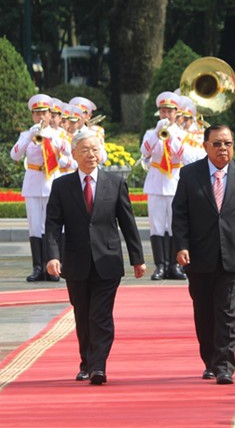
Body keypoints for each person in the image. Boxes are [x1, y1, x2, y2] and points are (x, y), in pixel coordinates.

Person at [45, 130, 146, 385]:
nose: (91, 154)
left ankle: (98, 366)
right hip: (76, 261)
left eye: (95, 149)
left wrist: (137, 257)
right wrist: (53, 256)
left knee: (100, 314)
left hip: (108, 260)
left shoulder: (115, 183)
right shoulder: (62, 185)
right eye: (86, 150)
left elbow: (127, 222)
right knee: (83, 314)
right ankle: (86, 362)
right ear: (74, 153)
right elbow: (53, 225)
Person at [172, 124, 235, 384]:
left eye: (228, 143)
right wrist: (181, 246)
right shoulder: (190, 174)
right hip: (198, 255)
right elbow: (179, 213)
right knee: (204, 312)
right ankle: (211, 361)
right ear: (205, 146)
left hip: (233, 253)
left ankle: (225, 365)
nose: (223, 148)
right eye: (217, 143)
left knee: (226, 311)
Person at [10, 94, 69, 282]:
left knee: (51, 226)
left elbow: (70, 157)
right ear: (33, 116)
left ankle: (52, 267)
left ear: (50, 114)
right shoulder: (26, 134)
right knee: (35, 227)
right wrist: (29, 136)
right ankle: (37, 268)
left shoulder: (58, 135)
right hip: (34, 182)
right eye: (37, 113)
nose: (41, 117)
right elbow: (15, 155)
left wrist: (54, 149)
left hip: (52, 182)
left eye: (44, 113)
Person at [141, 91, 187, 280]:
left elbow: (182, 154)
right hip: (156, 184)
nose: (166, 114)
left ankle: (175, 265)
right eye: (163, 111)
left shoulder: (182, 134)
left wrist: (171, 136)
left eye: (170, 111)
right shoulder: (151, 133)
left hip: (175, 182)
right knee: (157, 225)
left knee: (174, 225)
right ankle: (161, 265)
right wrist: (157, 135)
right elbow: (145, 151)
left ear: (177, 113)